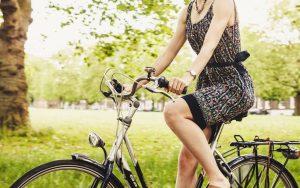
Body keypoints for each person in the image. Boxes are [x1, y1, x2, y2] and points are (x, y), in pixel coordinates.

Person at [129, 0, 255, 187]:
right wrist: (134, 85)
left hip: (232, 85)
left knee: (173, 111)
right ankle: (215, 176)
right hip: (207, 84)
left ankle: (218, 178)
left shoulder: (223, 2)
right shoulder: (187, 12)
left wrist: (188, 76)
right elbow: (169, 52)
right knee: (187, 160)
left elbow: (209, 45)